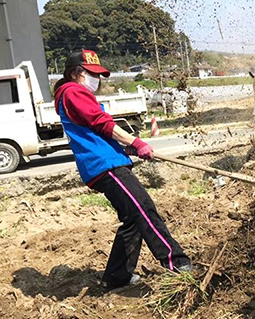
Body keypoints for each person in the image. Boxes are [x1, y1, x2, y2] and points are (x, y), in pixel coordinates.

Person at [54, 50, 192, 289]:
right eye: (92, 74)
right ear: (77, 73)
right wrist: (135, 142)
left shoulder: (70, 95)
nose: (97, 80)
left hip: (105, 163)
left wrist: (123, 149)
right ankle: (177, 264)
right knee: (144, 210)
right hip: (106, 166)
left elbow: (92, 132)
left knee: (131, 220)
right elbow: (102, 123)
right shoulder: (74, 92)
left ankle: (117, 276)